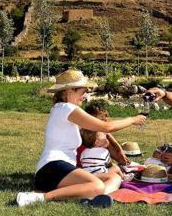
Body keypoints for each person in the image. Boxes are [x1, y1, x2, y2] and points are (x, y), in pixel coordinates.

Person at [16, 69, 146, 207]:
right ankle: (40, 197)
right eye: (82, 92)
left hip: (61, 171)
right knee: (97, 185)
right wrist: (132, 119)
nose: (84, 96)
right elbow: (105, 127)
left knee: (114, 177)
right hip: (51, 168)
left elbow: (97, 129)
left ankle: (90, 198)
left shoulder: (63, 109)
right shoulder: (66, 108)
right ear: (69, 91)